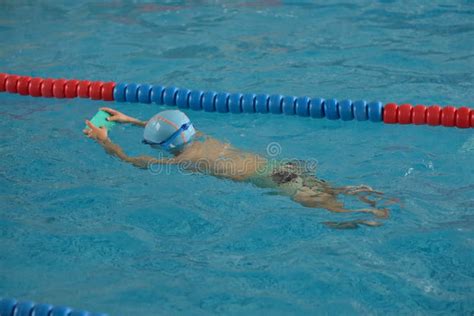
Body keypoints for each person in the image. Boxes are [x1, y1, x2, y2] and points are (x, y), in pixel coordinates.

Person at [84, 107, 392, 228]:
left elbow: (127, 159)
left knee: (321, 205)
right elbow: (174, 131)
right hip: (273, 164)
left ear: (164, 147)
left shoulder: (181, 160)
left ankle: (363, 219)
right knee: (320, 187)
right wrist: (133, 120)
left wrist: (103, 139)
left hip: (264, 179)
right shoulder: (204, 137)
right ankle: (360, 193)